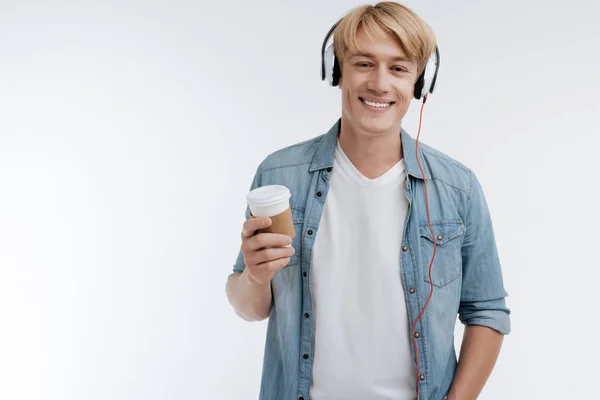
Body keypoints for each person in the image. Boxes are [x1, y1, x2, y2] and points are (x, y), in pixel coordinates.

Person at [225, 2, 511, 399]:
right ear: (337, 71)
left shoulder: (456, 188)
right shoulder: (279, 176)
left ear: (419, 82)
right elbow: (248, 307)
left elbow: (487, 312)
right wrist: (255, 276)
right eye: (363, 63)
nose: (380, 83)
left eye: (398, 68)